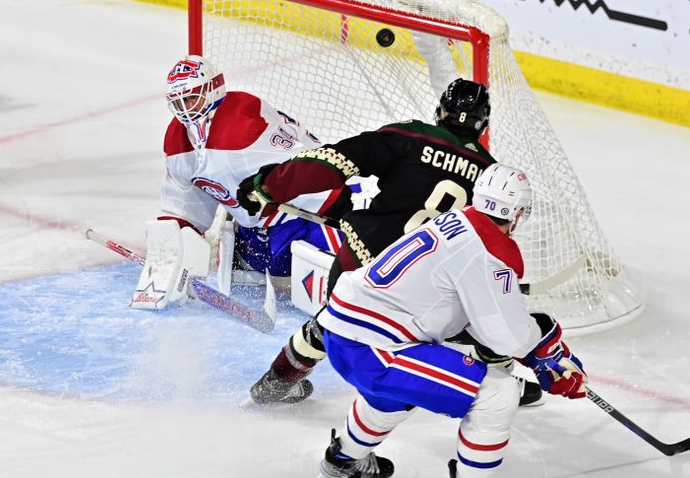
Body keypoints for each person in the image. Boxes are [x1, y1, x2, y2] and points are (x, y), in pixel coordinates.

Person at [237, 79, 541, 407]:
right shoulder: (489, 174)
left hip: (366, 256)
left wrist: (268, 186)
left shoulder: (412, 136)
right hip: (426, 280)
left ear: (441, 111)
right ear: (483, 125)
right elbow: (490, 244)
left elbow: (333, 161)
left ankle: (275, 384)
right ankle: (495, 377)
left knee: (331, 322)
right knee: (464, 310)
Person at [315, 163, 588, 478]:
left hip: (344, 329)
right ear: (516, 214)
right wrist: (548, 351)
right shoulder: (489, 250)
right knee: (497, 393)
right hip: (375, 348)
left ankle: (343, 460)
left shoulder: (455, 220)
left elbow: (474, 315)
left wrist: (541, 350)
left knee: (392, 394)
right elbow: (507, 337)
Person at [134, 56, 348, 402]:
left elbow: (315, 170)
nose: (185, 110)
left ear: (214, 89)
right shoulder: (178, 139)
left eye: (191, 98)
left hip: (303, 220)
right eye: (178, 102)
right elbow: (184, 200)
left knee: (346, 289)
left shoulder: (243, 125)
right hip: (256, 232)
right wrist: (173, 248)